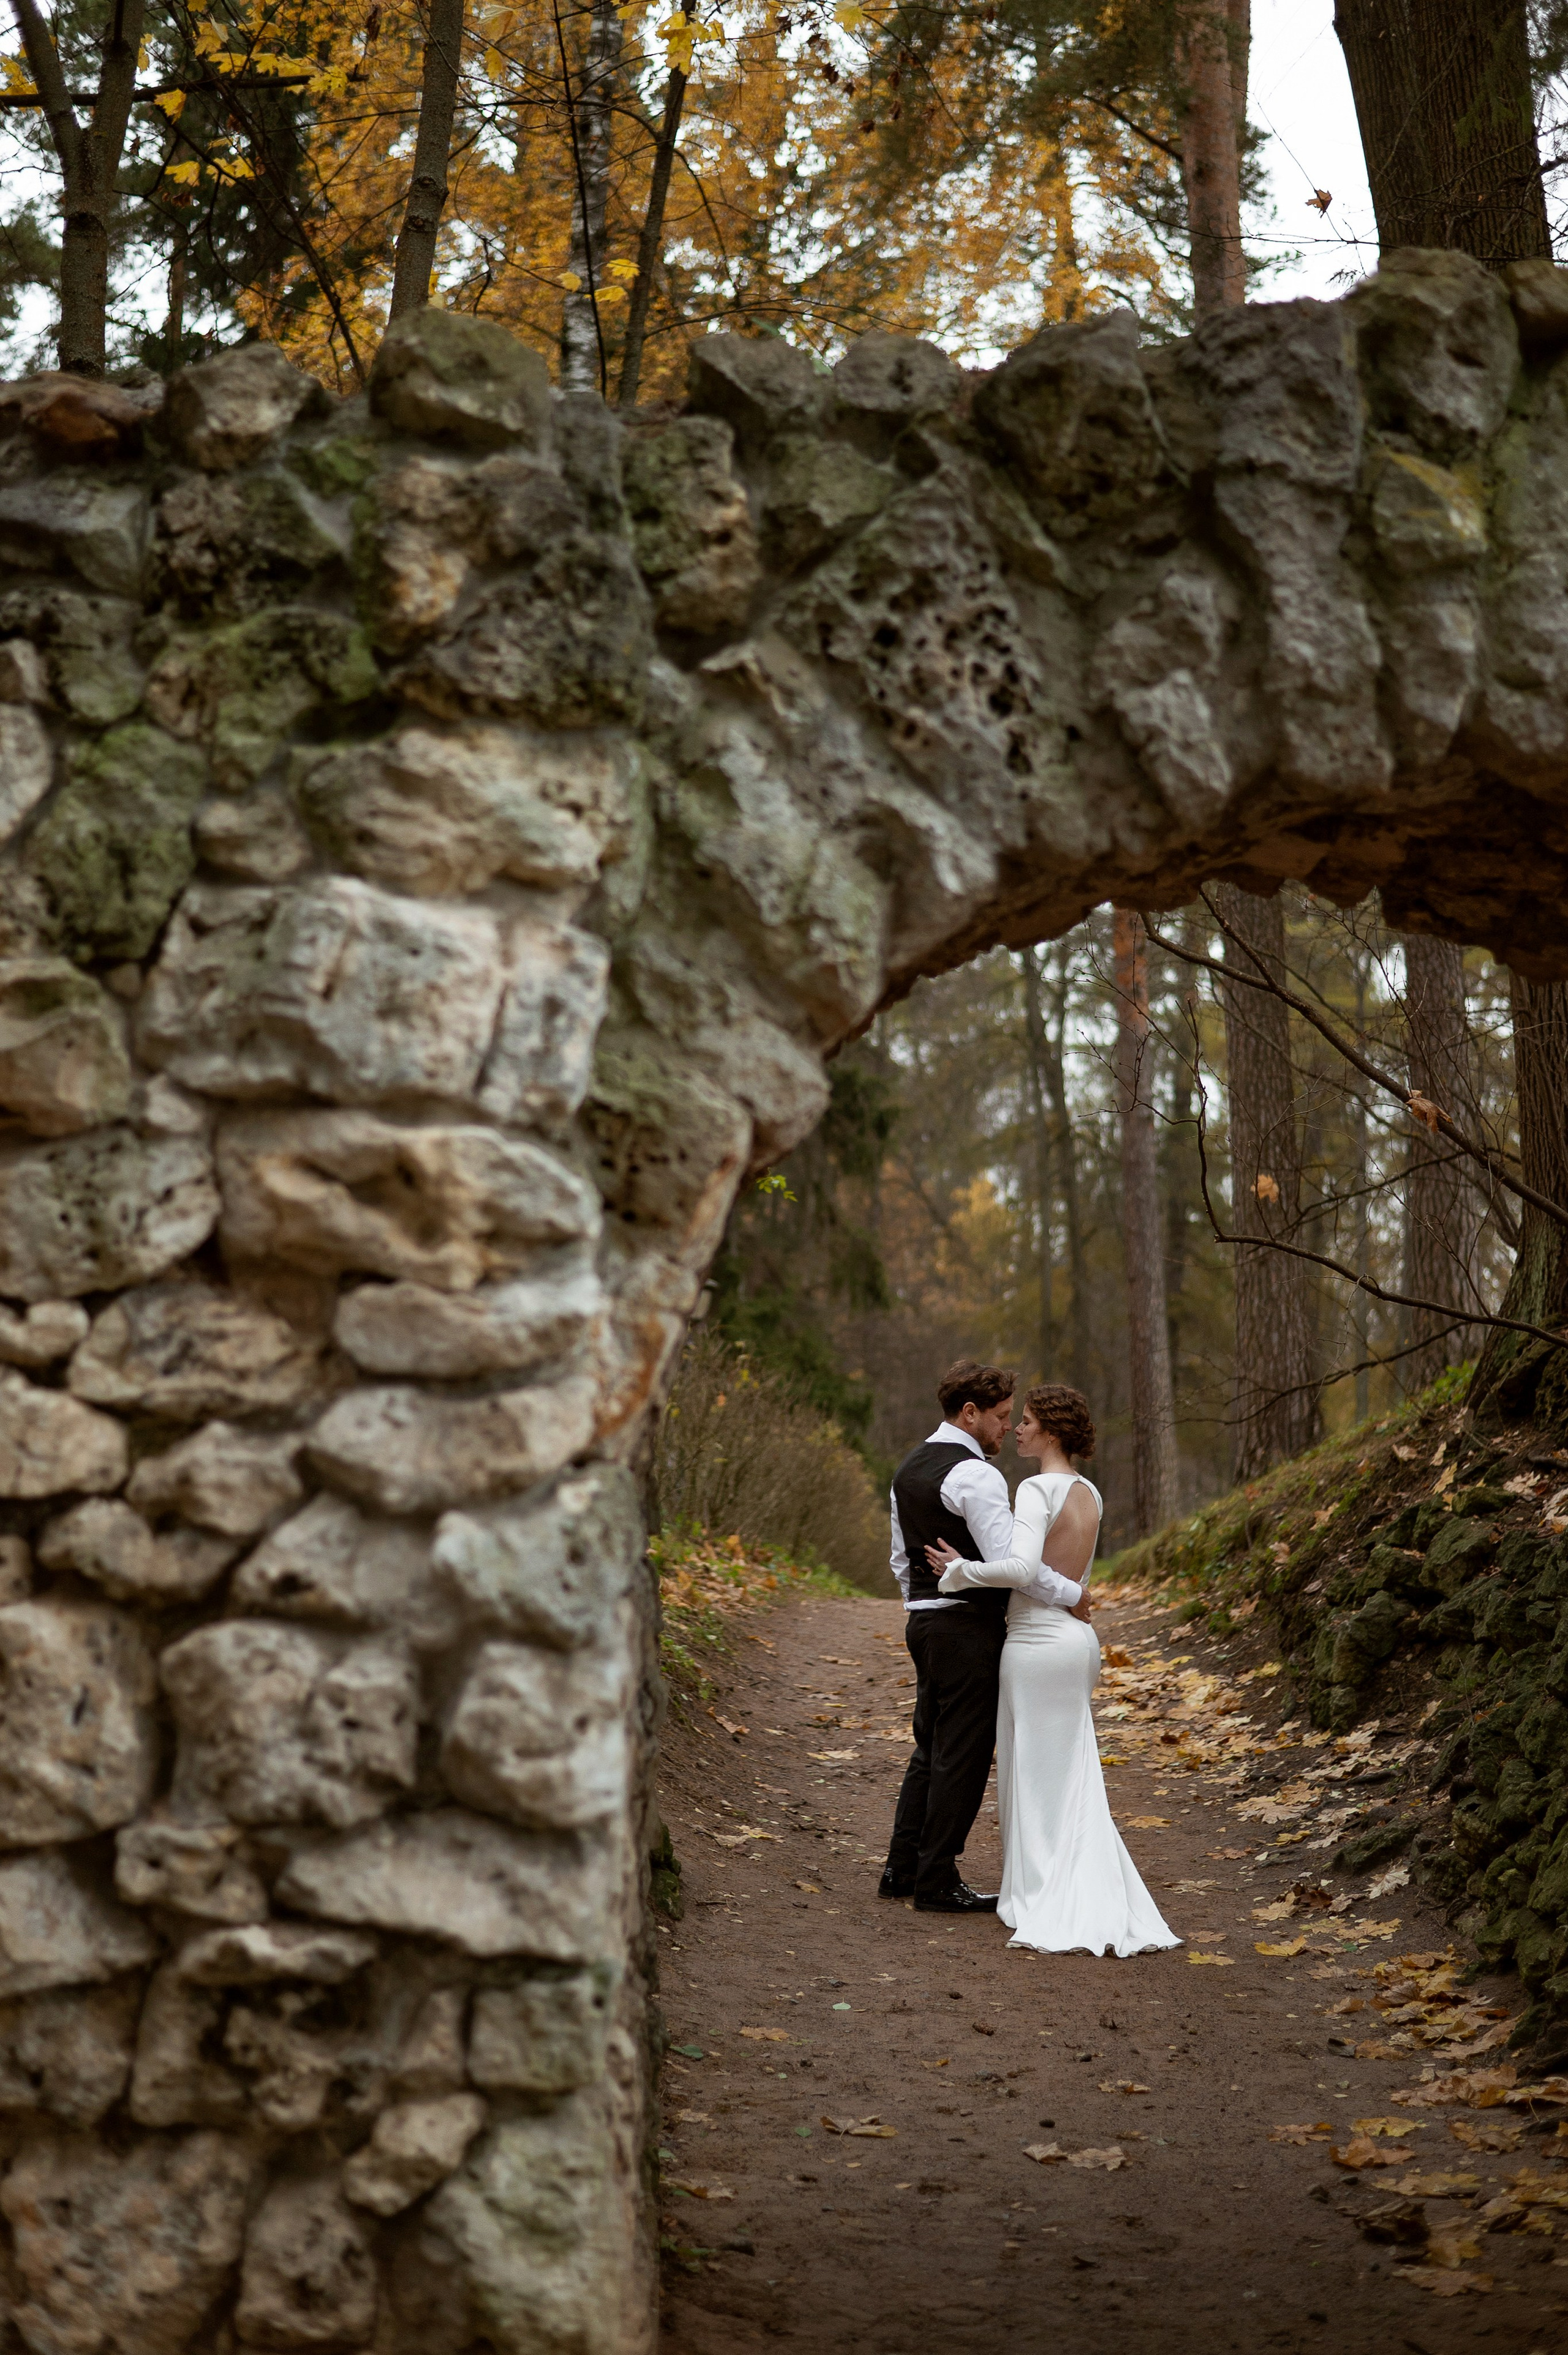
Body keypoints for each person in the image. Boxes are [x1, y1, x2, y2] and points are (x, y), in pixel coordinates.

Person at [926, 1382, 1178, 1959]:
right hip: (1077, 1643)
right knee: (1071, 1774)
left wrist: (961, 1570)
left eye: (1029, 1421)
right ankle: (1073, 1889)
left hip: (1038, 1644)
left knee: (1034, 1778)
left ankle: (1042, 1897)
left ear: (1053, 1432)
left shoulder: (1036, 1487)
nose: (1018, 1428)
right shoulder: (1088, 1491)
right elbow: (1072, 1574)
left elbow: (1019, 1568)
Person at [880, 1358, 1080, 1914]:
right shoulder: (975, 1474)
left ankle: (903, 1866)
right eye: (999, 1417)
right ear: (969, 1414)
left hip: (924, 1621)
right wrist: (1071, 1593)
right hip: (966, 1626)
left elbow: (902, 1559)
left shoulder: (908, 1468)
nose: (1004, 1428)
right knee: (963, 1755)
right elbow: (1012, 1563)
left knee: (932, 1746)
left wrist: (920, 1605)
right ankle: (937, 1879)